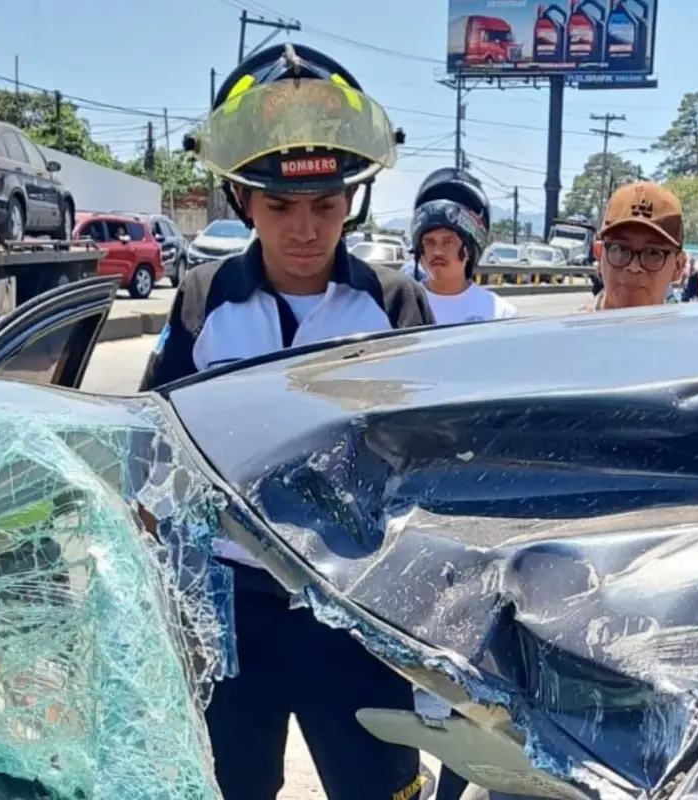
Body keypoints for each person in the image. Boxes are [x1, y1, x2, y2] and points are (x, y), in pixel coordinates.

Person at [139, 43, 433, 800]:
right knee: (231, 787)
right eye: (280, 207)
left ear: (352, 202)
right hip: (233, 612)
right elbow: (153, 445)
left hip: (358, 604)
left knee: (379, 788)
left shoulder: (395, 305)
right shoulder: (203, 300)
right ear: (243, 201)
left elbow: (432, 460)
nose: (305, 229)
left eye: (325, 206)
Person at [410, 168, 518, 324]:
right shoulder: (401, 308)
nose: (437, 252)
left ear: (470, 249)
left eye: (448, 242)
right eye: (429, 242)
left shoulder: (500, 314)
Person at [587, 181, 688, 310]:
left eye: (652, 253)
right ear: (599, 254)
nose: (634, 267)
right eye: (621, 249)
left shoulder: (688, 330)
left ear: (678, 266)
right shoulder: (569, 329)